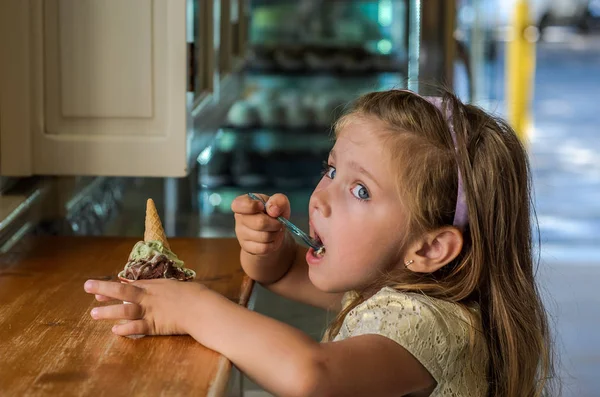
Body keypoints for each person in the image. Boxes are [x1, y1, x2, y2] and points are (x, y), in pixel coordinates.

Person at [84, 89, 557, 396]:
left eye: (360, 190)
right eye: (331, 171)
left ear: (430, 249)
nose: (321, 199)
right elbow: (284, 273)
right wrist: (267, 251)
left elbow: (312, 375)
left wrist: (190, 308)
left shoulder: (431, 325)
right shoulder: (390, 283)